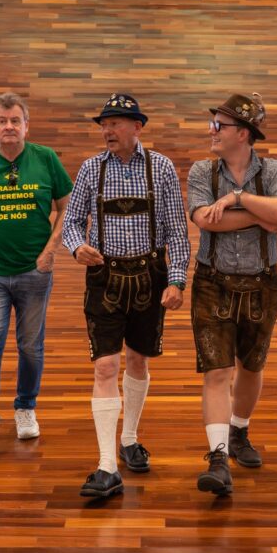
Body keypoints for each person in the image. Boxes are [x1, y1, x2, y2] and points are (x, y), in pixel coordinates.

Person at [62, 93, 190, 498]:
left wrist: (177, 280)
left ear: (137, 127)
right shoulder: (90, 169)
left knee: (138, 359)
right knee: (105, 366)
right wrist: (77, 247)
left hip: (149, 277)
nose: (108, 130)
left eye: (115, 123)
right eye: (104, 124)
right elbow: (70, 223)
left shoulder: (161, 168)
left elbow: (177, 232)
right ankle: (106, 465)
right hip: (105, 278)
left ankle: (129, 438)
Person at [187, 93, 277, 496]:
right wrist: (260, 216)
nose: (212, 131)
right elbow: (205, 219)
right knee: (217, 371)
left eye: (220, 125)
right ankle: (218, 458)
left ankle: (239, 430)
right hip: (212, 282)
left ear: (244, 134)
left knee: (251, 366)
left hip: (262, 284)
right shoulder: (202, 170)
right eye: (213, 124)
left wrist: (237, 199)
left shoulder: (276, 170)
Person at [0, 92, 73, 458]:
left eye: (15, 120)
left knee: (30, 347)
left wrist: (50, 251)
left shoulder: (46, 159)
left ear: (26, 125)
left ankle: (25, 407)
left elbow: (67, 206)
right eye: (2, 121)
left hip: (34, 270)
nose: (9, 126)